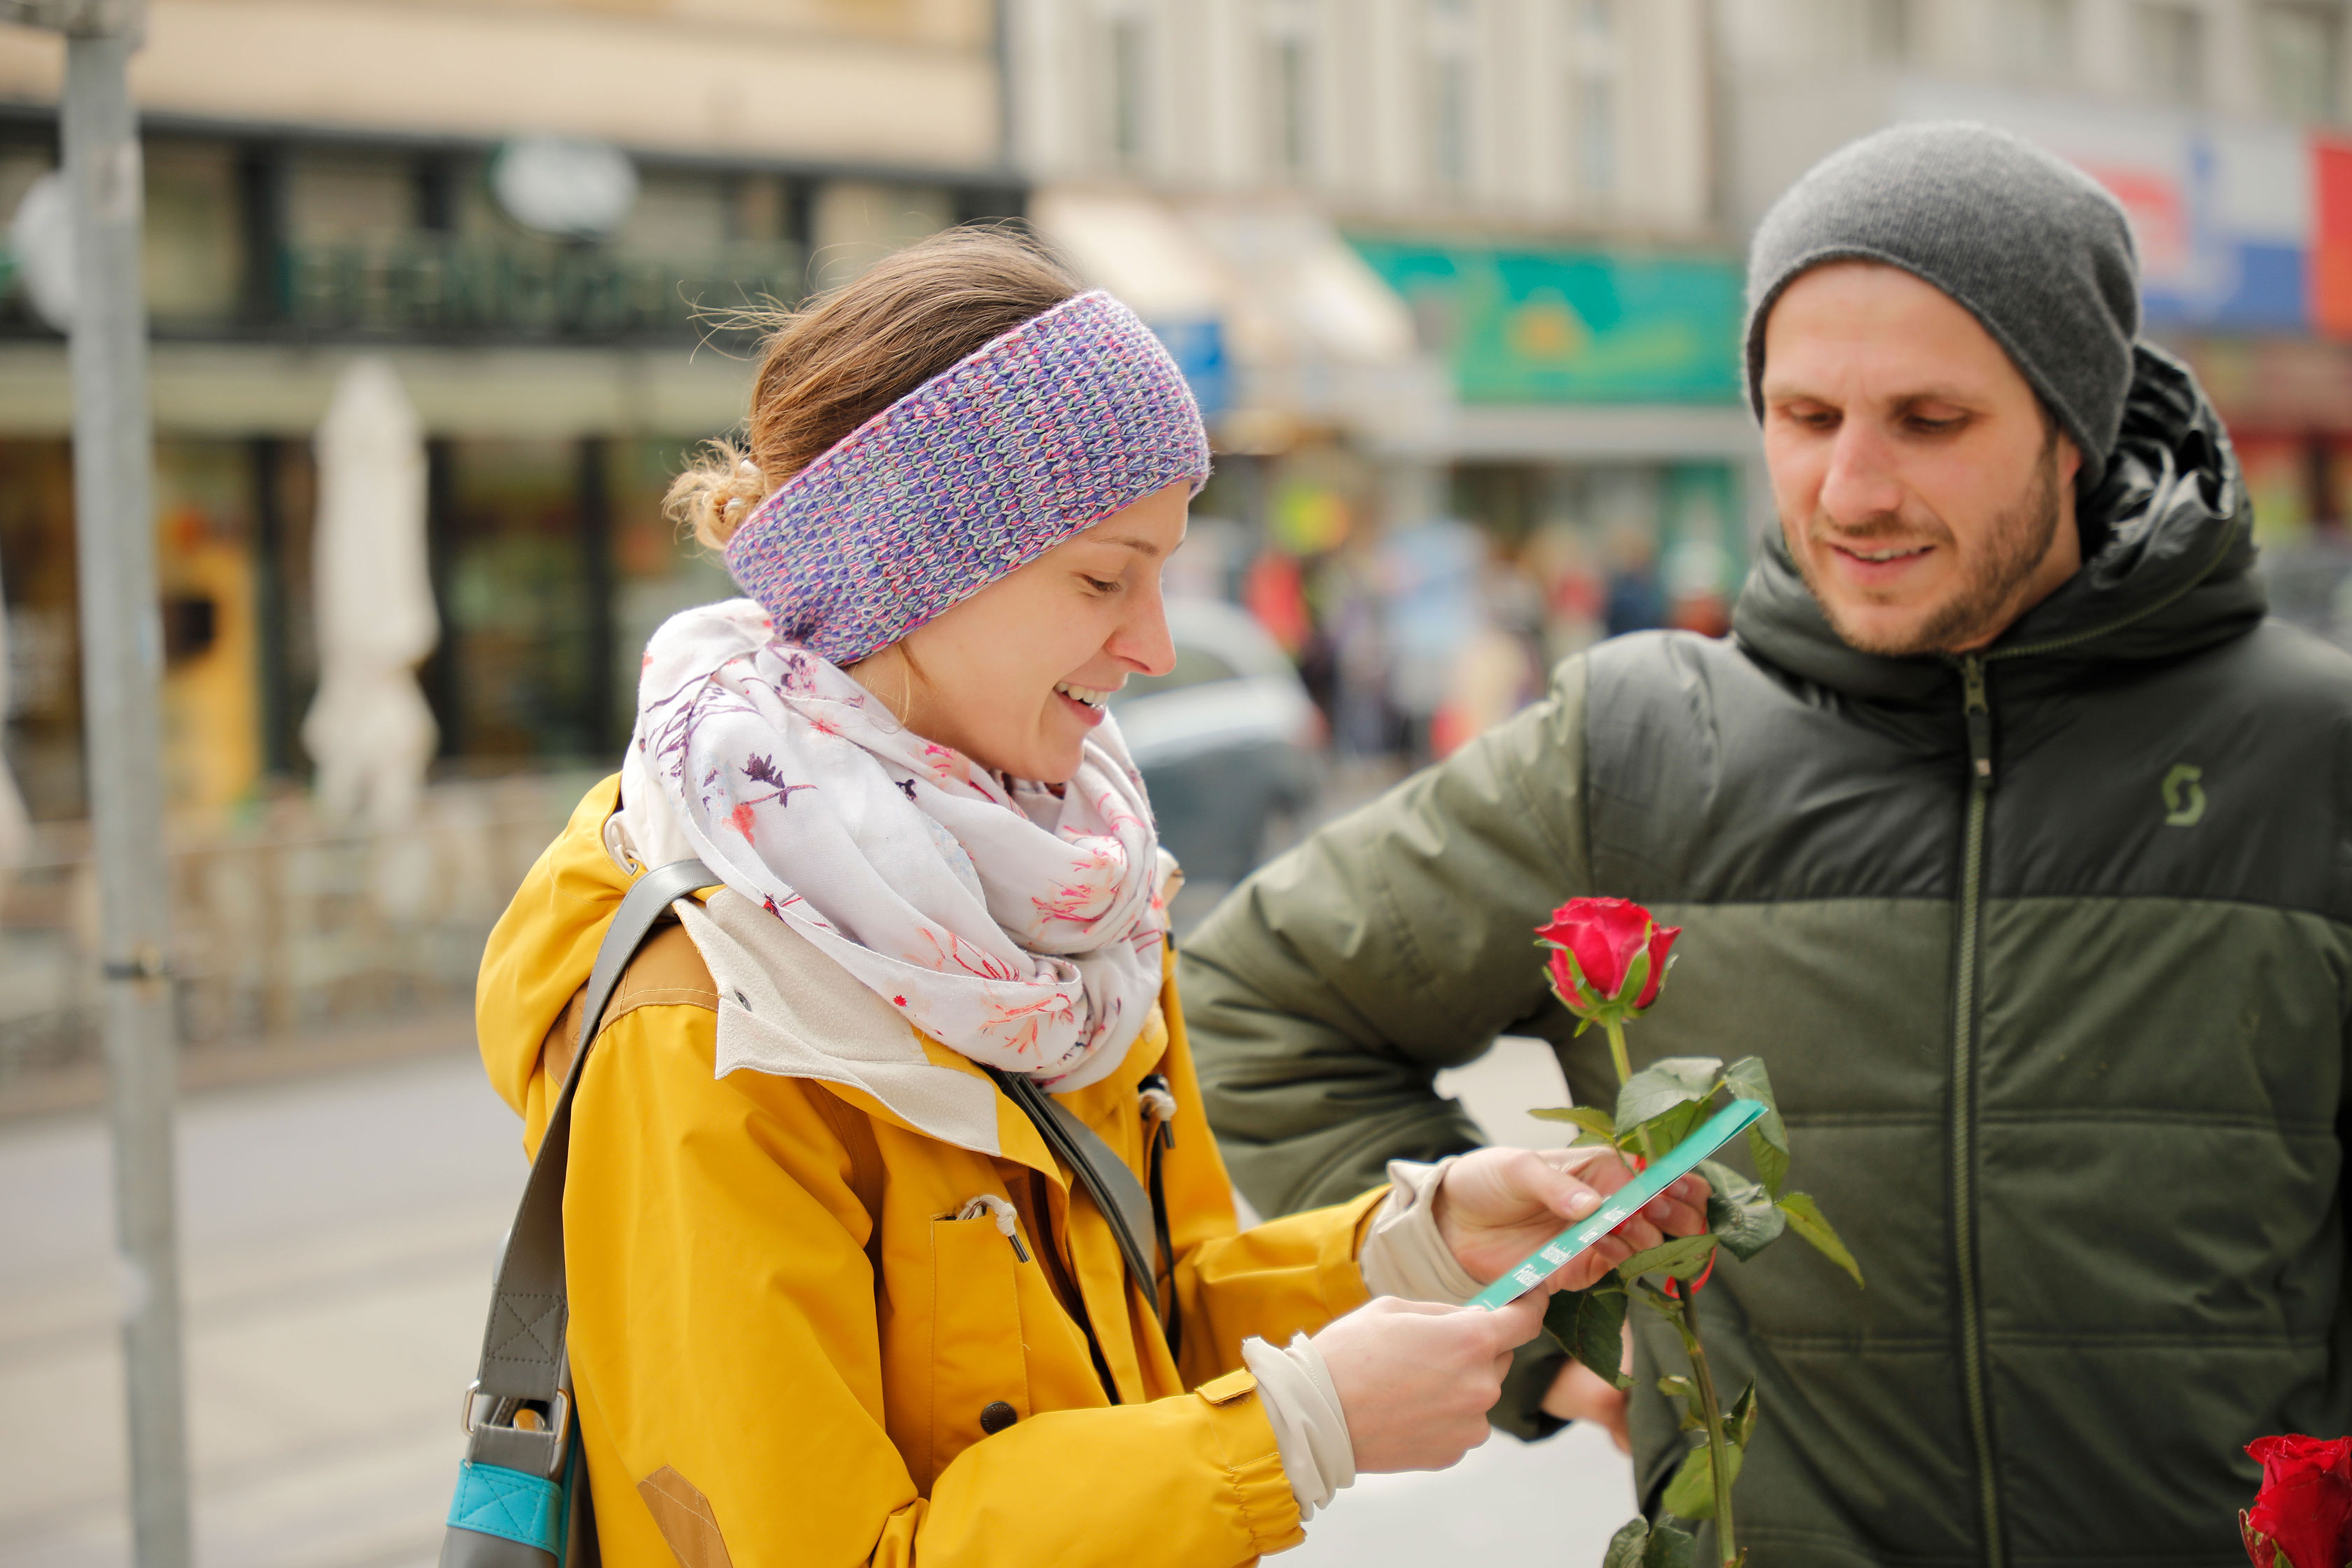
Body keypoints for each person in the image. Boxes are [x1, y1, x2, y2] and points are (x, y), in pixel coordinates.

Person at [1178, 122, 2352, 1567]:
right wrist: (1548, 1338)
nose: (1853, 490)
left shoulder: (2314, 755)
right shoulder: (1636, 744)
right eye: (1806, 419)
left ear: (2076, 424)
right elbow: (1254, 998)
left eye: (1929, 421)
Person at [471, 229, 1709, 1568]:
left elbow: (1145, 1313)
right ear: (907, 570)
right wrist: (1291, 1436)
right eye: (1102, 577)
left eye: (1164, 572)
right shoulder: (707, 1010)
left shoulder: (1071, 896)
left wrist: (1418, 1238)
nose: (1155, 643)